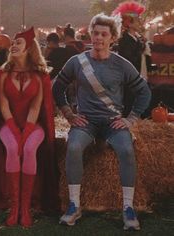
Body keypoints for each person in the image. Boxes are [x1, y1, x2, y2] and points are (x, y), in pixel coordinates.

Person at [52, 13, 151, 230]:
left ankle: (128, 208)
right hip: (85, 123)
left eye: (103, 34)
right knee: (74, 147)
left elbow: (144, 92)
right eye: (95, 33)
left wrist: (130, 119)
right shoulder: (76, 62)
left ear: (112, 38)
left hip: (112, 123)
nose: (98, 38)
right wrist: (69, 114)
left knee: (126, 150)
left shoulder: (121, 64)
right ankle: (74, 205)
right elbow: (57, 88)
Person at [0, 27, 59, 227]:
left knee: (29, 149)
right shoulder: (3, 73)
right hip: (8, 124)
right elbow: (2, 105)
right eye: (12, 42)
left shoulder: (40, 75)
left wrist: (26, 132)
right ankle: (14, 208)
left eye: (18, 43)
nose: (13, 45)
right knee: (12, 149)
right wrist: (14, 130)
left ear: (29, 48)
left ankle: (25, 208)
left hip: (33, 125)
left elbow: (37, 107)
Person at [112, 1, 147, 117]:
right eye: (138, 20)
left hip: (137, 77)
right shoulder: (124, 40)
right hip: (129, 80)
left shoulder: (137, 38)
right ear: (129, 22)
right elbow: (128, 59)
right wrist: (141, 48)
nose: (140, 22)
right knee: (128, 103)